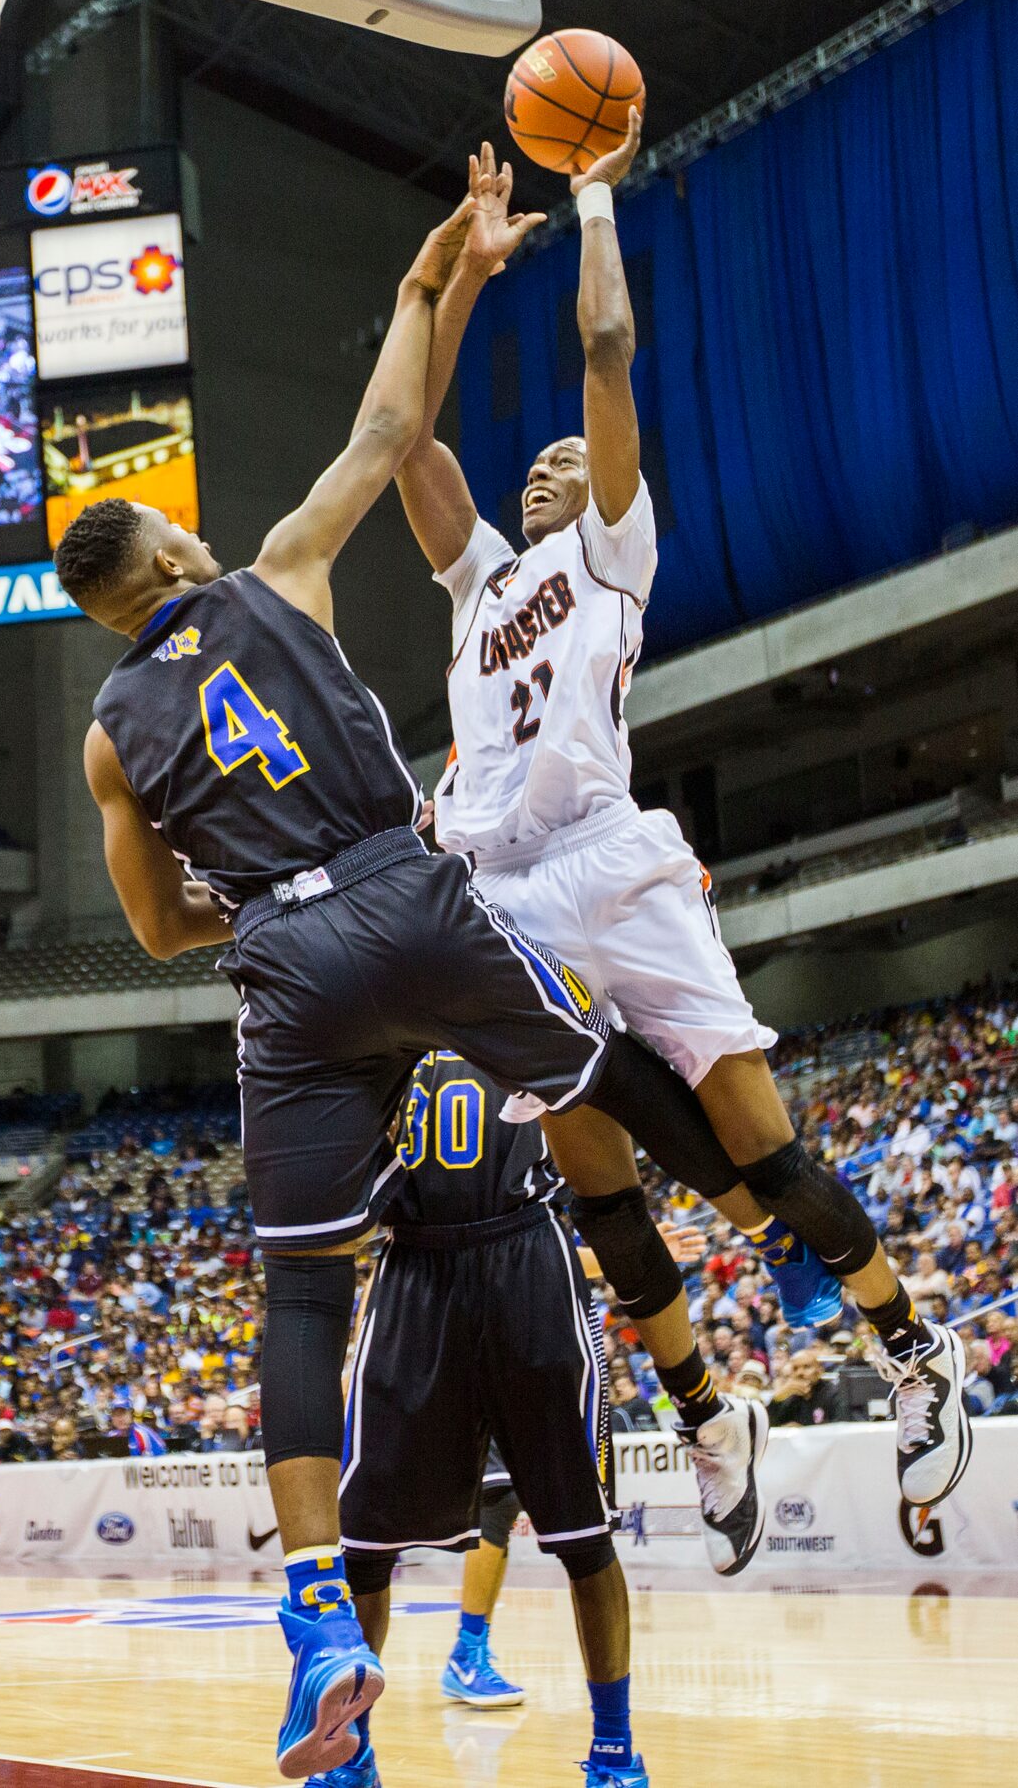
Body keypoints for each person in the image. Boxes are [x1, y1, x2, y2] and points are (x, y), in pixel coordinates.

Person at [54, 175, 790, 1782]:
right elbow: (392, 432)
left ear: (103, 613)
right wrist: (426, 276)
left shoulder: (110, 739)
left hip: (287, 968)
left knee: (301, 1290)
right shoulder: (270, 569)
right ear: (174, 549)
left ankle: (314, 1613)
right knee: (606, 1076)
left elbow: (165, 934)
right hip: (407, 890)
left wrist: (240, 889)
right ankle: (768, 1267)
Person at [394, 124, 971, 1516]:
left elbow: (604, 357)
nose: (543, 466)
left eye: (562, 459)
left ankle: (914, 1350)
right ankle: (710, 1416)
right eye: (528, 464)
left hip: (612, 859)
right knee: (601, 1193)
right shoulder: (474, 584)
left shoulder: (607, 547)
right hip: (505, 898)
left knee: (759, 1150)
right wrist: (457, 275)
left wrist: (591, 197)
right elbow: (404, 435)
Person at [327, 1051, 721, 1788]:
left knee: (583, 1533)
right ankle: (351, 1750)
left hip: (529, 1261)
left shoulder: (527, 996)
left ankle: (614, 1748)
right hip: (412, 1271)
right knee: (364, 1544)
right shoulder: (379, 1018)